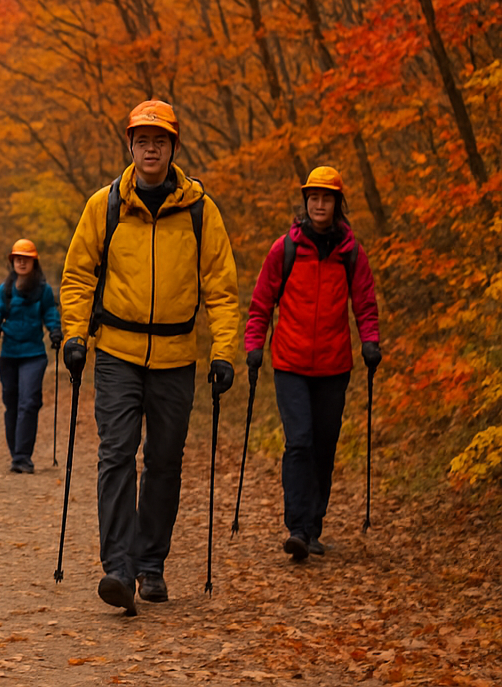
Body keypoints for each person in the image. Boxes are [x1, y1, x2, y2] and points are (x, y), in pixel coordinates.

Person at [59, 100, 240, 615]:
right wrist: (76, 335)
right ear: (131, 146)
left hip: (176, 358)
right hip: (116, 352)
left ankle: (151, 566)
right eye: (143, 139)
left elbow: (223, 291)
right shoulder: (105, 205)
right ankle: (118, 569)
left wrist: (223, 351)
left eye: (160, 140)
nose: (151, 148)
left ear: (173, 147)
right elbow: (77, 275)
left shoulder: (201, 211)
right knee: (116, 455)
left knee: (163, 463)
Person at [244, 165, 380, 562]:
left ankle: (314, 525)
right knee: (299, 442)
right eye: (313, 198)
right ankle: (298, 529)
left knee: (324, 446)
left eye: (327, 198)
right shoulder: (284, 249)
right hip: (290, 363)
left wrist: (370, 342)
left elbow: (366, 305)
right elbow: (261, 303)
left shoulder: (351, 254)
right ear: (305, 203)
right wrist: (254, 345)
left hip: (335, 367)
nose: (319, 204)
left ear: (338, 204)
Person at [0, 239, 61, 474]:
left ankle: (22, 457)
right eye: (17, 258)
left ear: (34, 261)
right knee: (11, 404)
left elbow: (50, 312)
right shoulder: (5, 289)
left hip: (34, 355)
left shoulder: (43, 290)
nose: (21, 261)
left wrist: (55, 331)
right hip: (9, 354)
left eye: (26, 258)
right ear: (12, 261)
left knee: (28, 403)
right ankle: (16, 454)